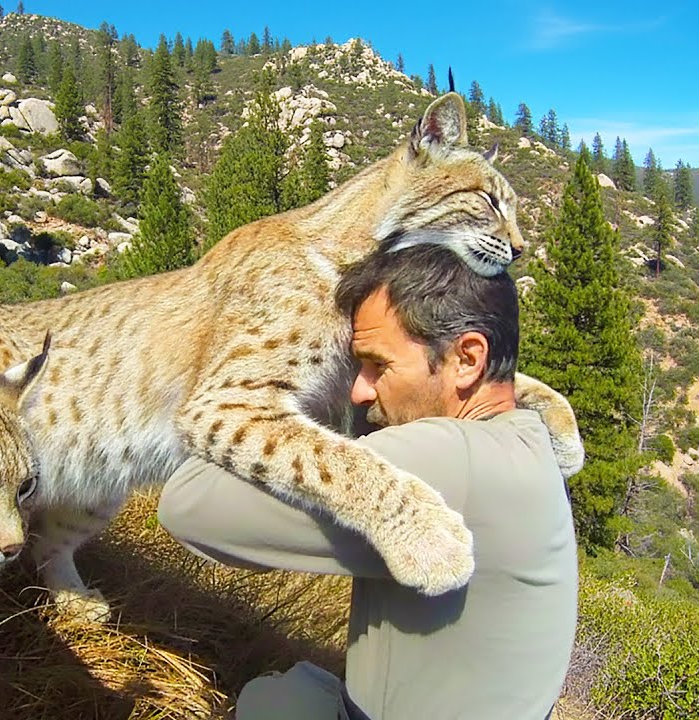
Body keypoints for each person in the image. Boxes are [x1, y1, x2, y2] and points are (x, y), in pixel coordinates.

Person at [156, 244, 578, 719]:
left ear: (467, 359)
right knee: (288, 695)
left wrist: (288, 390)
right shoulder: (524, 440)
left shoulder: (446, 459)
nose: (358, 389)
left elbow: (189, 503)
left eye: (378, 364)